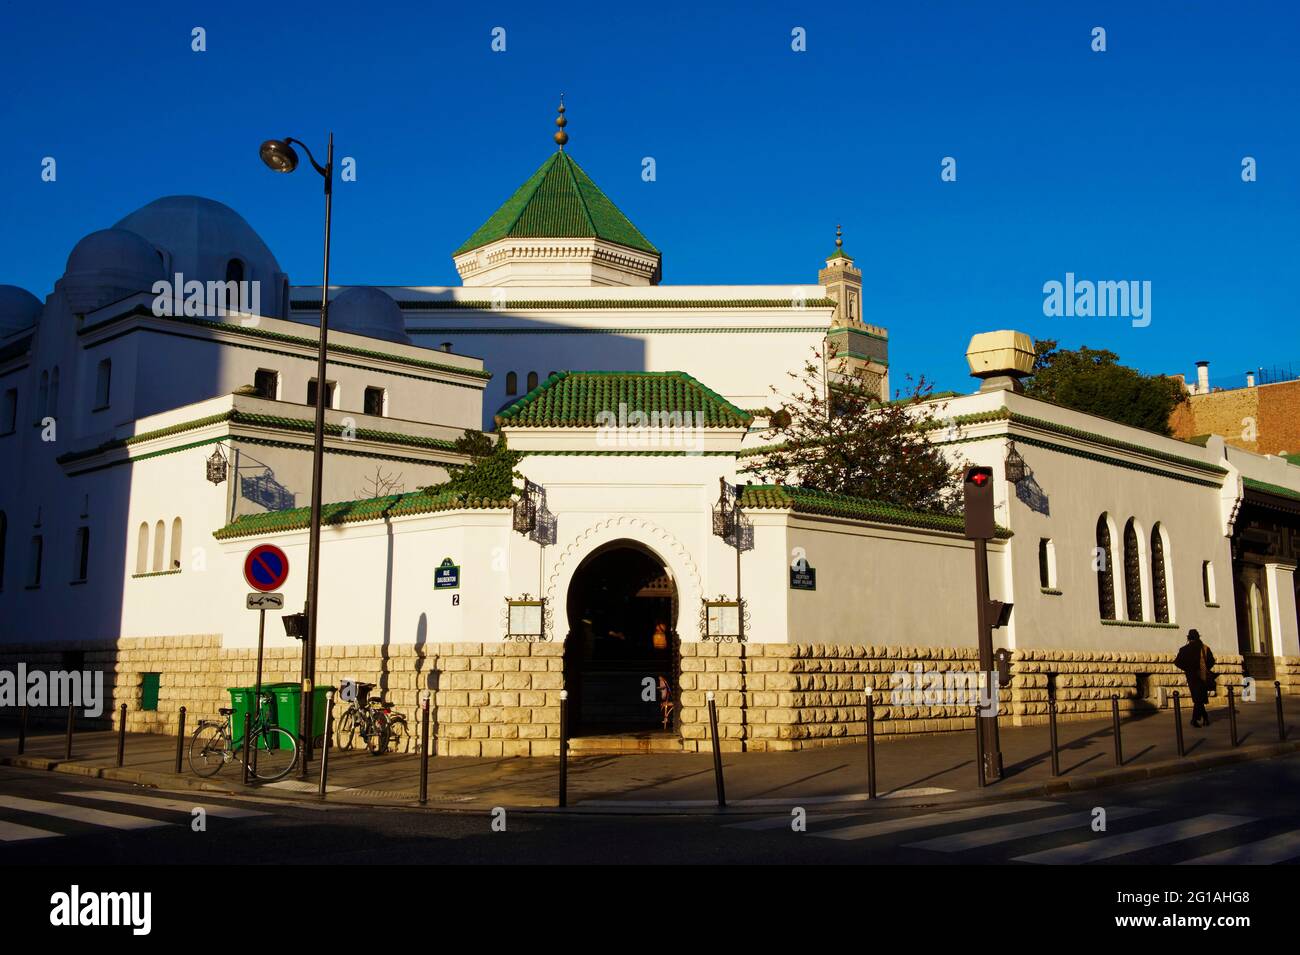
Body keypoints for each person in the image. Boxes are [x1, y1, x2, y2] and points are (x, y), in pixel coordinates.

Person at [1174, 628, 1216, 727]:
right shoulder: (1205, 648)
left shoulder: (1184, 649)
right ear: (1198, 637)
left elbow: (1177, 662)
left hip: (1191, 676)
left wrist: (1187, 668)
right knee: (1199, 698)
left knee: (1198, 698)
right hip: (1202, 675)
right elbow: (1211, 661)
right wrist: (1205, 668)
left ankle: (1197, 719)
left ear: (1189, 638)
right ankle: (1201, 719)